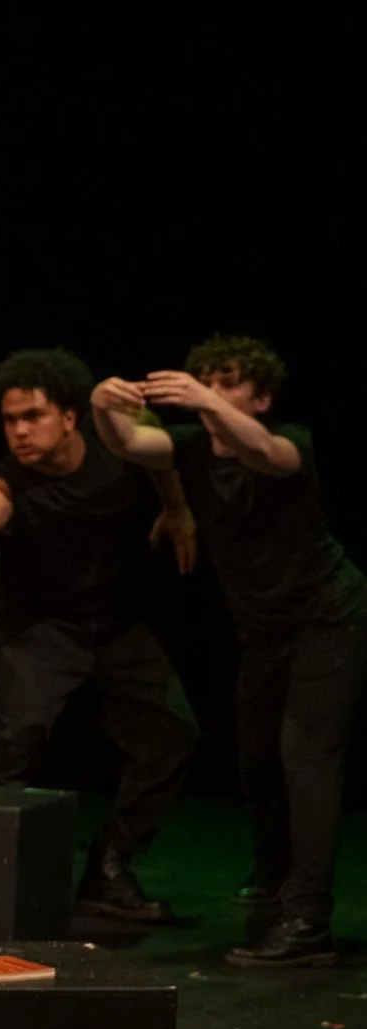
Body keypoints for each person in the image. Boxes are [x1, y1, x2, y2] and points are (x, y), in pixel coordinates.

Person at [93, 335, 367, 965]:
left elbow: (267, 455)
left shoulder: (289, 439)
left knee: (307, 755)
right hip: (265, 629)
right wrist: (101, 404)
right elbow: (128, 443)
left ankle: (308, 921)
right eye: (204, 380)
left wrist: (201, 399)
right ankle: (275, 876)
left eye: (227, 383)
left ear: (260, 398)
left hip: (329, 617)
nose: (209, 392)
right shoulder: (190, 447)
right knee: (256, 756)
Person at [0, 347, 199, 921]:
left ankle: (110, 867)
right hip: (36, 628)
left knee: (172, 735)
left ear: (69, 417)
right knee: (16, 740)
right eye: (9, 420)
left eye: (32, 416)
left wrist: (177, 510)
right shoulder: (10, 478)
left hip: (113, 622)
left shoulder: (113, 445)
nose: (19, 431)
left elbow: (162, 457)